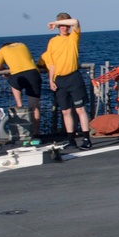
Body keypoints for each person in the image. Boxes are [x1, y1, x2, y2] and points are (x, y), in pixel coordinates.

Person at [44, 13, 92, 149]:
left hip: (73, 78)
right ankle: (70, 139)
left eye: (66, 25)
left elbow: (76, 21)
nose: (64, 27)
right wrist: (51, 80)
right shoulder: (52, 42)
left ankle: (86, 138)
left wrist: (54, 22)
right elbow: (51, 63)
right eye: (61, 25)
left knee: (80, 109)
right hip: (59, 79)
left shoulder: (73, 37)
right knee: (65, 111)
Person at [0, 42, 42, 139]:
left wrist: (4, 69)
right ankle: (36, 133)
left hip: (16, 76)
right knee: (34, 107)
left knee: (19, 106)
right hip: (33, 73)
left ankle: (22, 134)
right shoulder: (22, 44)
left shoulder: (3, 50)